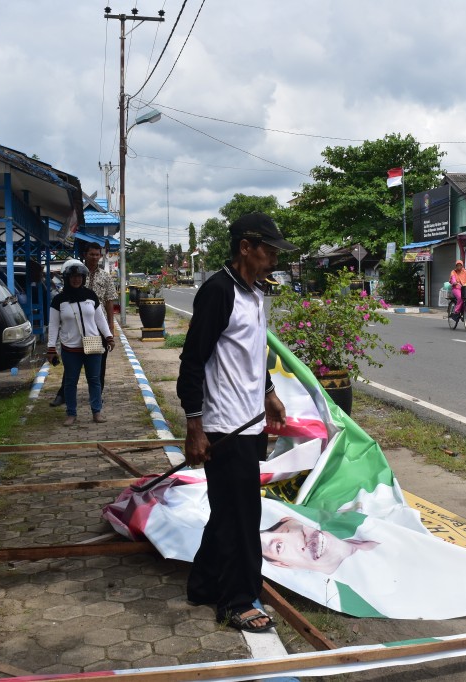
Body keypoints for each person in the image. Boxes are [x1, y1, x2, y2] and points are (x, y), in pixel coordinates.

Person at [176, 212, 294, 633]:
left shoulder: (254, 292)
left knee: (229, 510)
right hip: (225, 426)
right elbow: (192, 361)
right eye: (270, 251)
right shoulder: (218, 291)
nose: (274, 260)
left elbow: (252, 353)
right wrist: (195, 427)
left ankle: (204, 585)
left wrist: (269, 393)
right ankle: (236, 601)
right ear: (246, 247)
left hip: (251, 421)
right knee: (241, 516)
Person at [46, 262, 114, 426]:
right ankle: (71, 413)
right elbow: (53, 325)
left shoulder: (91, 296)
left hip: (93, 345)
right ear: (67, 278)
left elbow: (100, 319)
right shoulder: (59, 300)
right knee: (70, 382)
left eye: (79, 276)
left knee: (94, 380)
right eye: (72, 276)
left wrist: (109, 336)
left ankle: (97, 412)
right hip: (70, 348)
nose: (76, 280)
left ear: (83, 278)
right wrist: (51, 348)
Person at [260, 517, 378, 574]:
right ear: (282, 564)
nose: (304, 537)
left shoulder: (370, 527)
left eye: (290, 530)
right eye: (279, 547)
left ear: (291, 519)